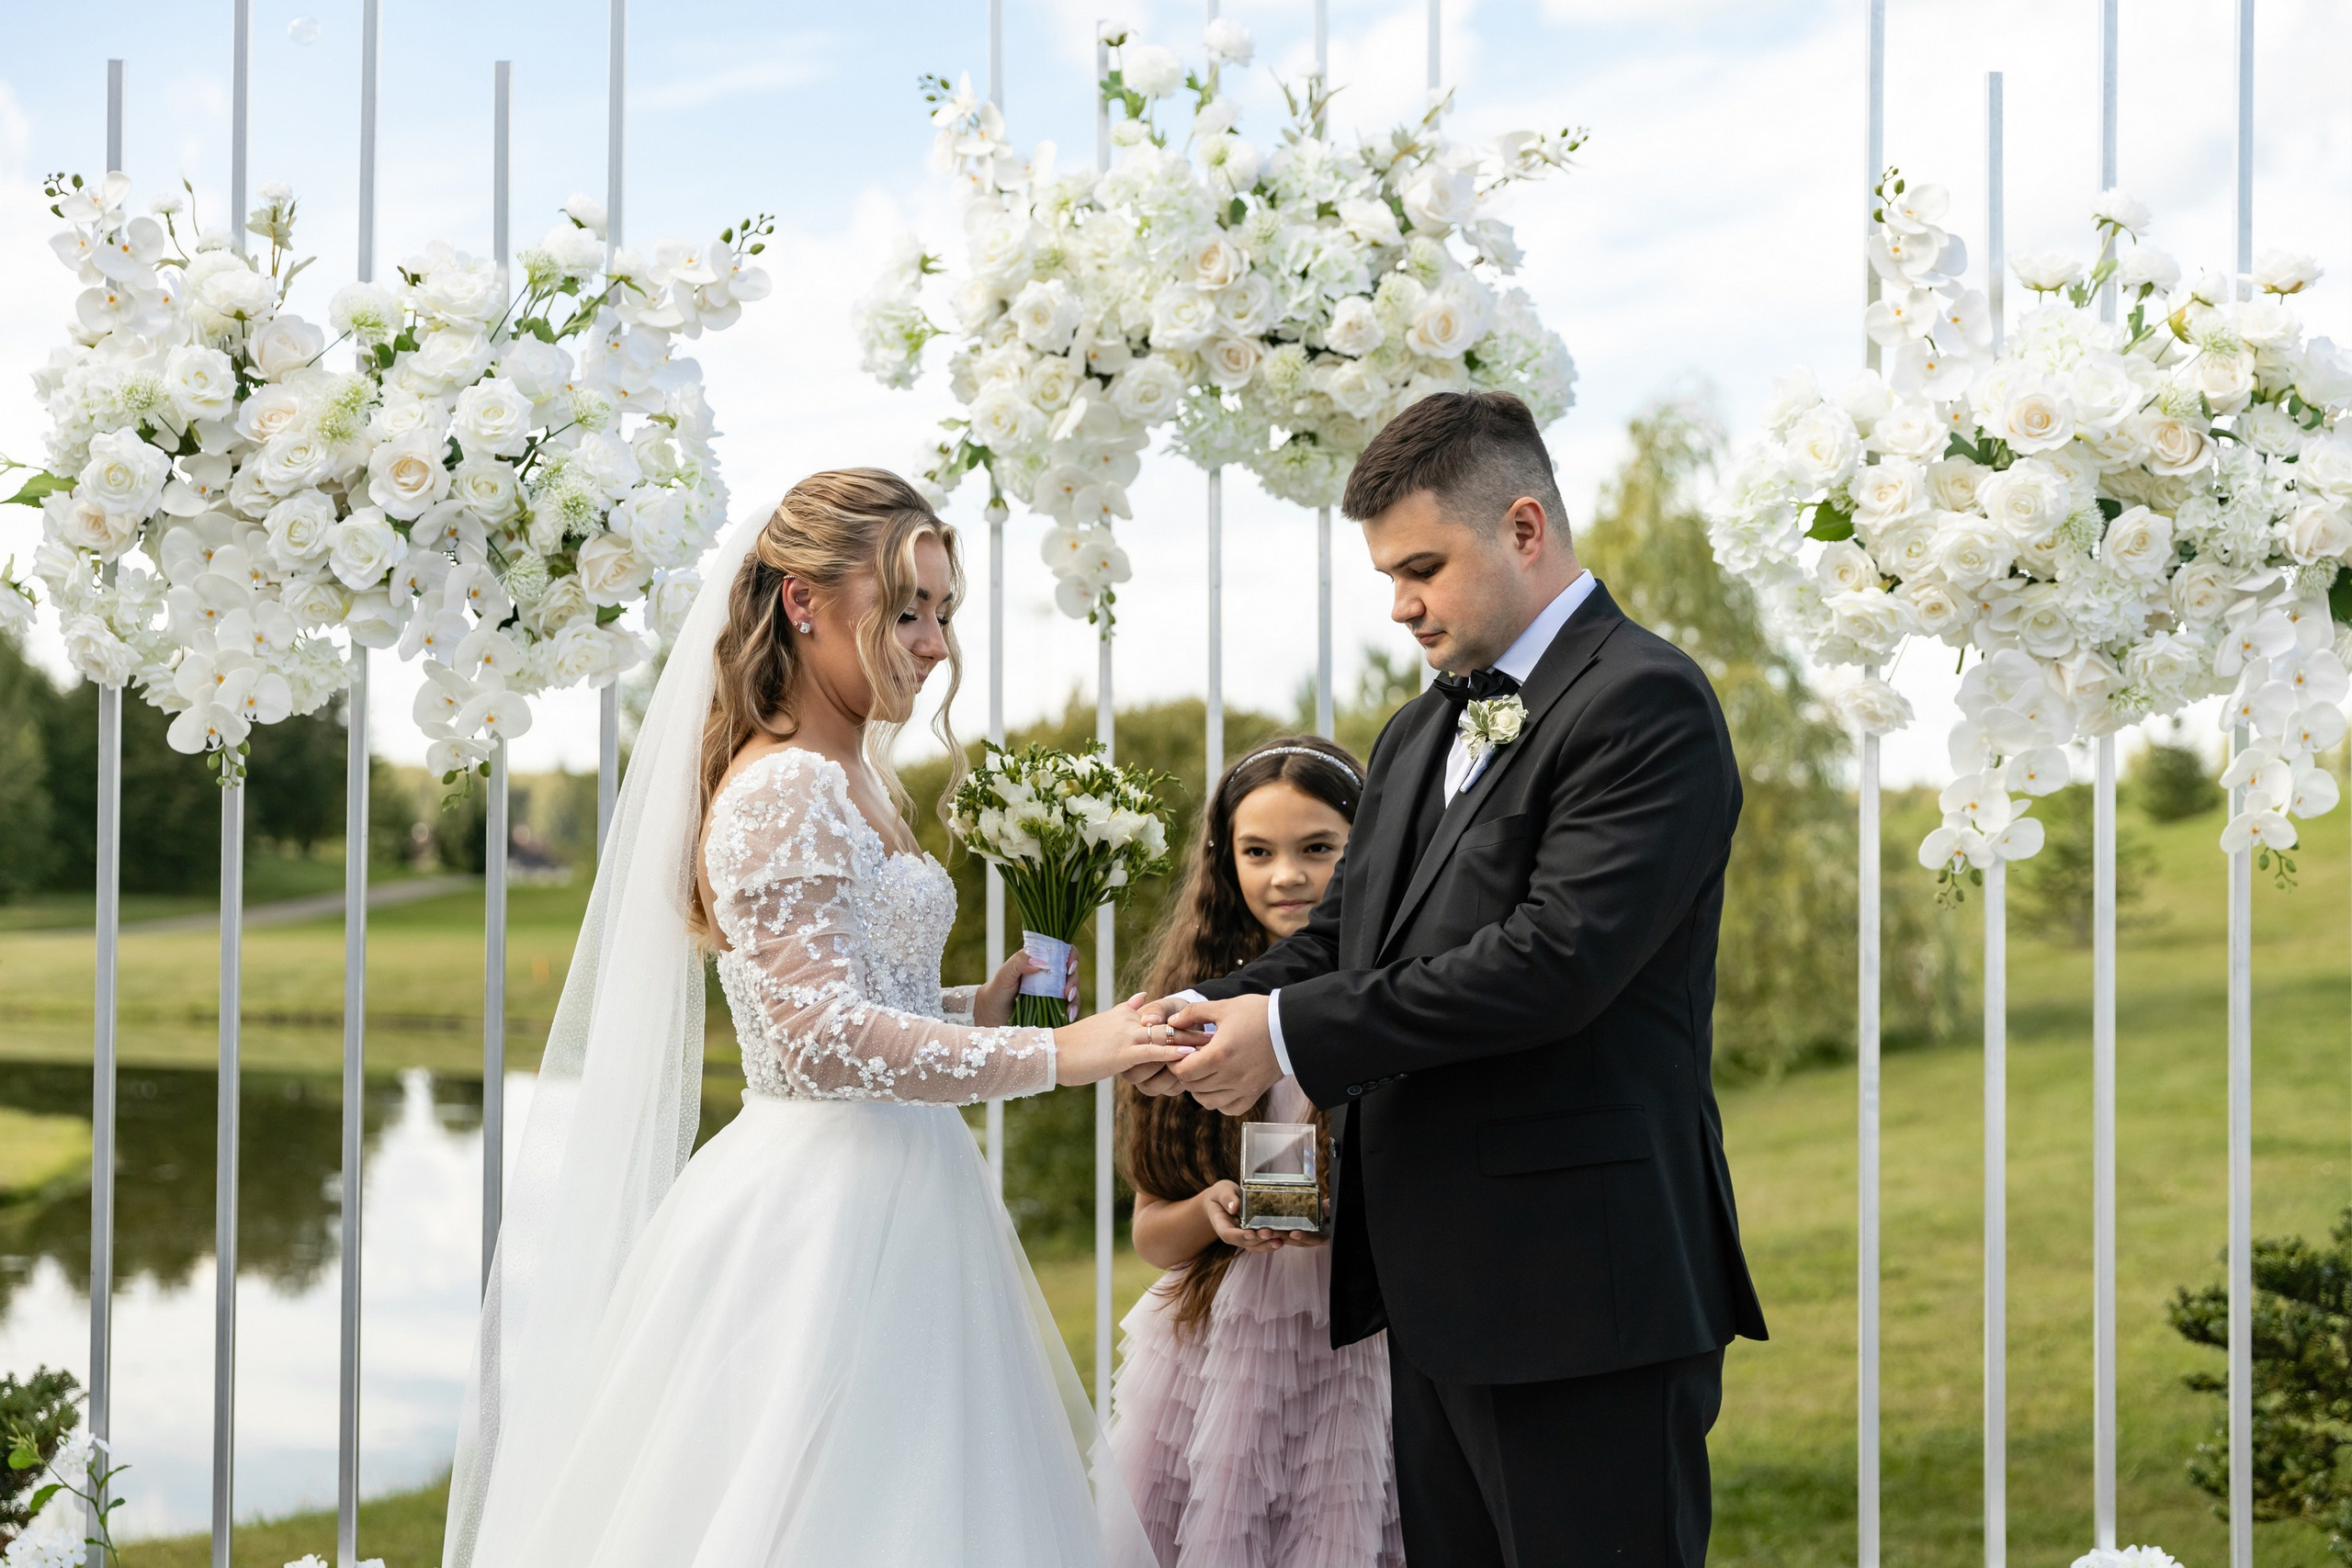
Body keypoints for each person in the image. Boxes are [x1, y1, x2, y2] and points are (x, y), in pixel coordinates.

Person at [442, 469, 1183, 1567]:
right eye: (906, 611)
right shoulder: (787, 787)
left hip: (906, 1183)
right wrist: (1057, 1053)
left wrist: (969, 1008)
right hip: (826, 1214)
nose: (933, 645)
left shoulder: (855, 775)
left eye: (943, 613)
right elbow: (814, 1042)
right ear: (802, 602)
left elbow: (849, 999)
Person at [1136, 392, 1770, 1567]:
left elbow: (1551, 963)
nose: (1401, 604)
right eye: (1388, 576)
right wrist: (1203, 1012)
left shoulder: (1646, 700)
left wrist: (1284, 1033)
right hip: (1433, 1303)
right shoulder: (1418, 729)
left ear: (1523, 528)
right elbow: (1348, 939)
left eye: (1421, 568)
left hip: (1583, 1292)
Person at [1111, 737, 1404, 1568]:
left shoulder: (1397, 997)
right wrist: (1210, 1211)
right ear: (1225, 859)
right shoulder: (1192, 1012)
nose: (1288, 876)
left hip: (1368, 1342)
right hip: (1223, 1355)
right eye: (1258, 852)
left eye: (1318, 848)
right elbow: (1150, 1233)